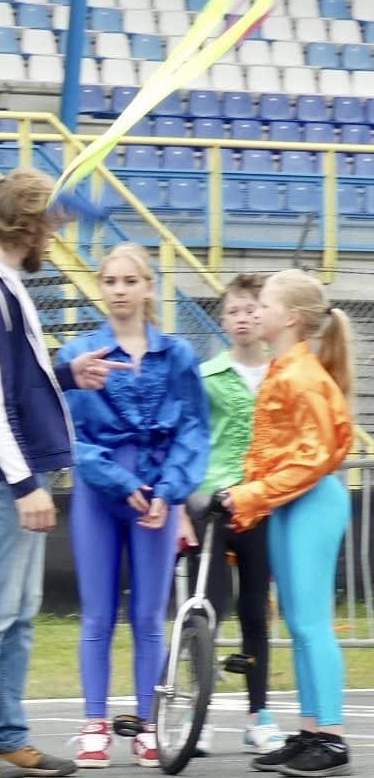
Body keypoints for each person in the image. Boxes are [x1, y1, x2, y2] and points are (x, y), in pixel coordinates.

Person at [0, 170, 123, 778]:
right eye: (51, 225)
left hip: (17, 469)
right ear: (27, 226)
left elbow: (19, 380)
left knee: (18, 611)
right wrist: (23, 485)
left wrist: (68, 376)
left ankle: (5, 734)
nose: (55, 236)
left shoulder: (5, 285)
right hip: (2, 475)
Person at [55, 244, 210, 769]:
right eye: (110, 281)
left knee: (148, 613)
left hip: (157, 495)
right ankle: (94, 723)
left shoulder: (178, 355)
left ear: (149, 288)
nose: (119, 290)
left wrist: (168, 492)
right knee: (97, 612)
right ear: (100, 288)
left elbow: (193, 430)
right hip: (100, 493)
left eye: (129, 281)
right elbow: (71, 435)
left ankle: (150, 722)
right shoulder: (82, 353)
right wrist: (119, 481)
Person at [212, 269, 356, 778]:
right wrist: (250, 498)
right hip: (291, 503)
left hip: (312, 501)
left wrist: (247, 495)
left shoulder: (303, 375)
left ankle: (332, 738)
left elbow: (312, 459)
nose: (255, 312)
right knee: (297, 622)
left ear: (291, 318)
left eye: (265, 305)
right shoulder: (285, 369)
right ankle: (311, 731)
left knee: (312, 623)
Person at [182, 273, 281, 753]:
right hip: (212, 504)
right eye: (234, 311)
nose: (243, 318)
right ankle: (196, 712)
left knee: (255, 611)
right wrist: (186, 500)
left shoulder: (282, 374)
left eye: (252, 309)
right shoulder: (206, 377)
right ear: (222, 321)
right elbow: (189, 439)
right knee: (207, 605)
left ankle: (258, 714)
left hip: (259, 504)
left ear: (266, 316)